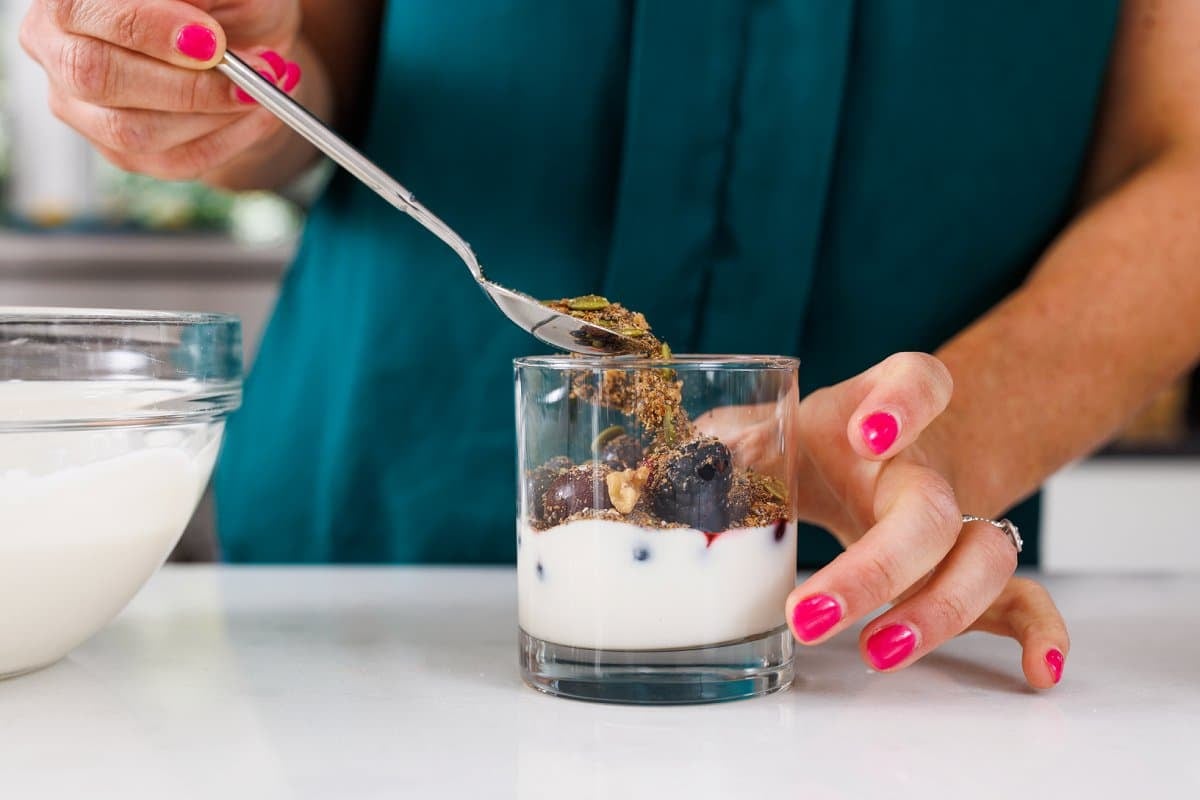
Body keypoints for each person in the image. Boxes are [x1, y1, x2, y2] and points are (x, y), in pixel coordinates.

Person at [22, 0, 1200, 690]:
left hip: (848, 617)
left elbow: (1183, 155)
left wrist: (942, 438)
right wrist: (216, 79)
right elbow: (313, 57)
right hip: (369, 586)